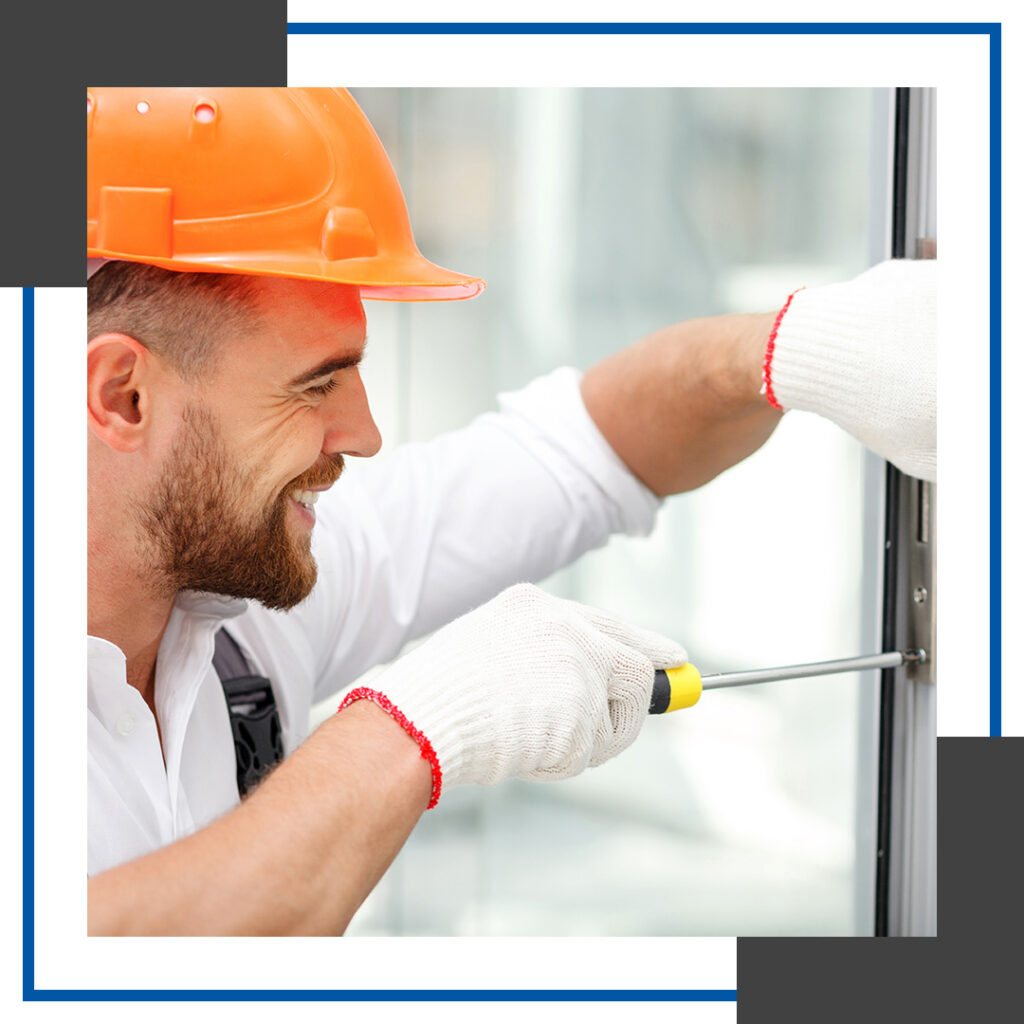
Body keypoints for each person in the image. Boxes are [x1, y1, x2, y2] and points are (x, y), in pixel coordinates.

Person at [85, 87, 935, 935]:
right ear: (124, 395)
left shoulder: (240, 595)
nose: (367, 434)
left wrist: (794, 348)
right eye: (316, 384)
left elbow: (582, 451)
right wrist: (406, 733)